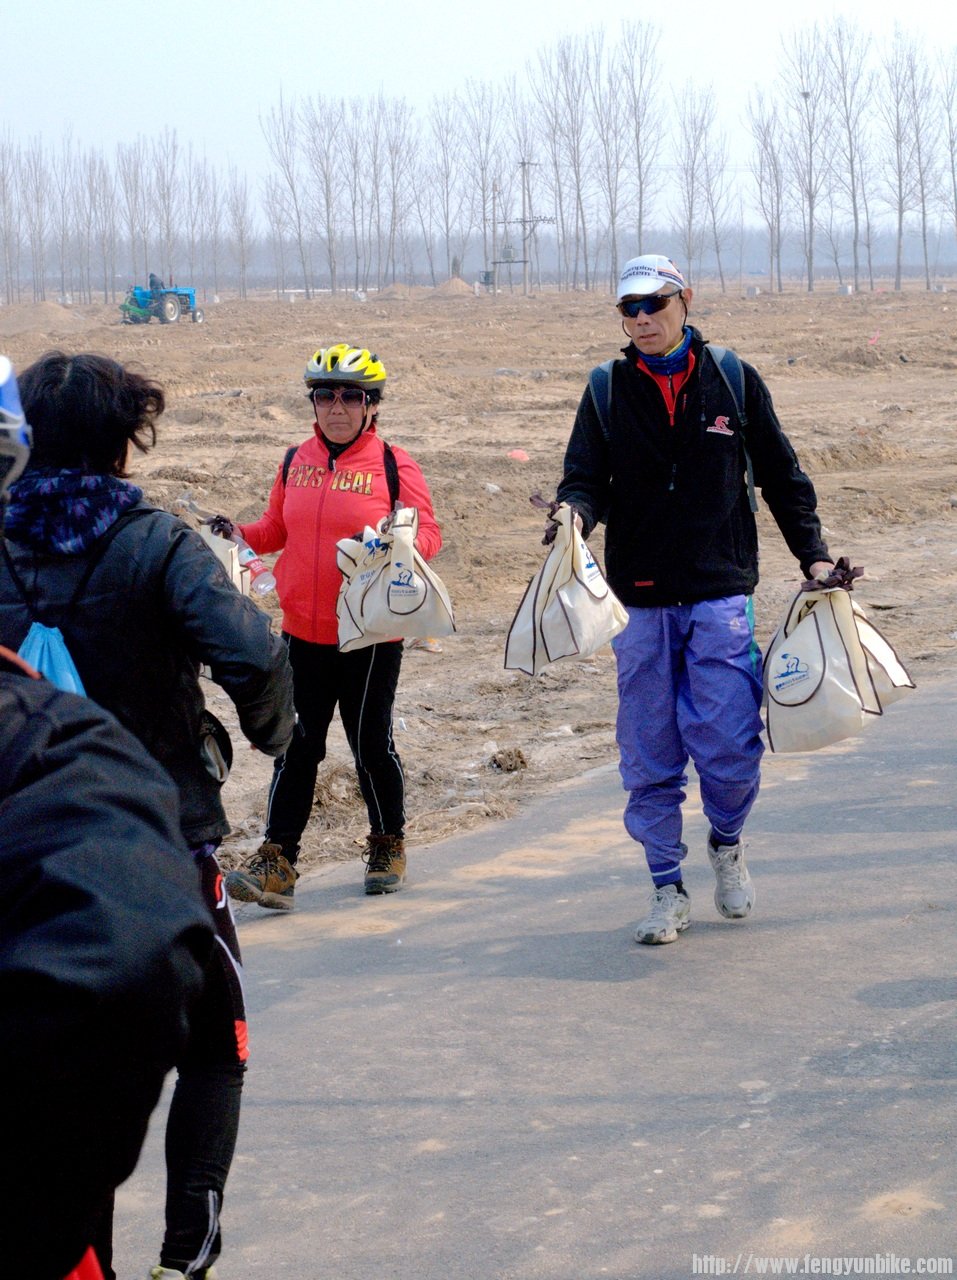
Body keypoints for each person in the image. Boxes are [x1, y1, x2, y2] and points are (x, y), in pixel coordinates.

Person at [0, 351, 295, 1280]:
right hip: (160, 833)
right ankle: (184, 1259)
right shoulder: (156, 543)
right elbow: (251, 655)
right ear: (125, 443)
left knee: (44, 1066)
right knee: (215, 1045)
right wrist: (270, 733)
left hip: (16, 847)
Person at [552, 255, 833, 946]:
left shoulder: (731, 378)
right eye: (629, 308)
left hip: (718, 592)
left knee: (731, 748)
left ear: (686, 301)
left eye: (654, 303)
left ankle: (726, 842)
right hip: (640, 602)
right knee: (648, 752)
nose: (642, 318)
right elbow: (584, 478)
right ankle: (665, 886)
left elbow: (781, 475)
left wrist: (815, 555)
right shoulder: (606, 389)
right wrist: (572, 515)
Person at [215, 342, 442, 907]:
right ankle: (278, 861)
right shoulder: (295, 460)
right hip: (301, 633)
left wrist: (400, 545)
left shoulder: (393, 465)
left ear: (372, 405)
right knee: (296, 748)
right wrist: (236, 533)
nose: (336, 407)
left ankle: (387, 844)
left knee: (370, 745)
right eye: (324, 396)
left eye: (350, 396)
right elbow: (274, 529)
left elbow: (430, 534)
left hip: (369, 635)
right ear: (312, 402)